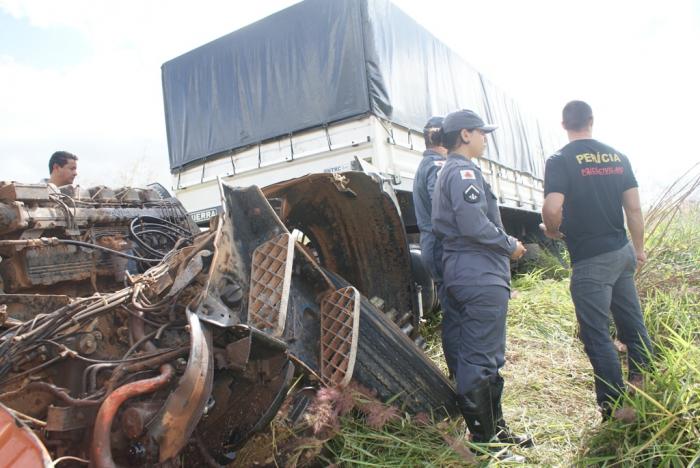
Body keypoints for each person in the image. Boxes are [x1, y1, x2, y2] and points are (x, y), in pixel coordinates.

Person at [541, 100, 653, 421]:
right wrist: (639, 248)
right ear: (591, 121)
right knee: (632, 321)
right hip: (621, 253)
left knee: (597, 335)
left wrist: (553, 231)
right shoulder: (618, 157)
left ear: (564, 125)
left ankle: (614, 407)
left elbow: (551, 209)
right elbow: (633, 209)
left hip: (591, 260)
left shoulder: (560, 159)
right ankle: (644, 383)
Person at [432, 109, 531, 452]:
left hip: (464, 271)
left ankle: (497, 432)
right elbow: (474, 224)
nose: (485, 138)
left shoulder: (451, 171)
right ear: (465, 135)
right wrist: (511, 246)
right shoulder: (463, 171)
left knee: (478, 357)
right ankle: (487, 443)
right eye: (481, 132)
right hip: (480, 274)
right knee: (482, 359)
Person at [411, 116, 458, 378]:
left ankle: (457, 373)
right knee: (455, 312)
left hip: (433, 244)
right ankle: (460, 375)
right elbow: (443, 204)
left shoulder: (425, 163)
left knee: (452, 310)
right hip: (443, 245)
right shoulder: (438, 165)